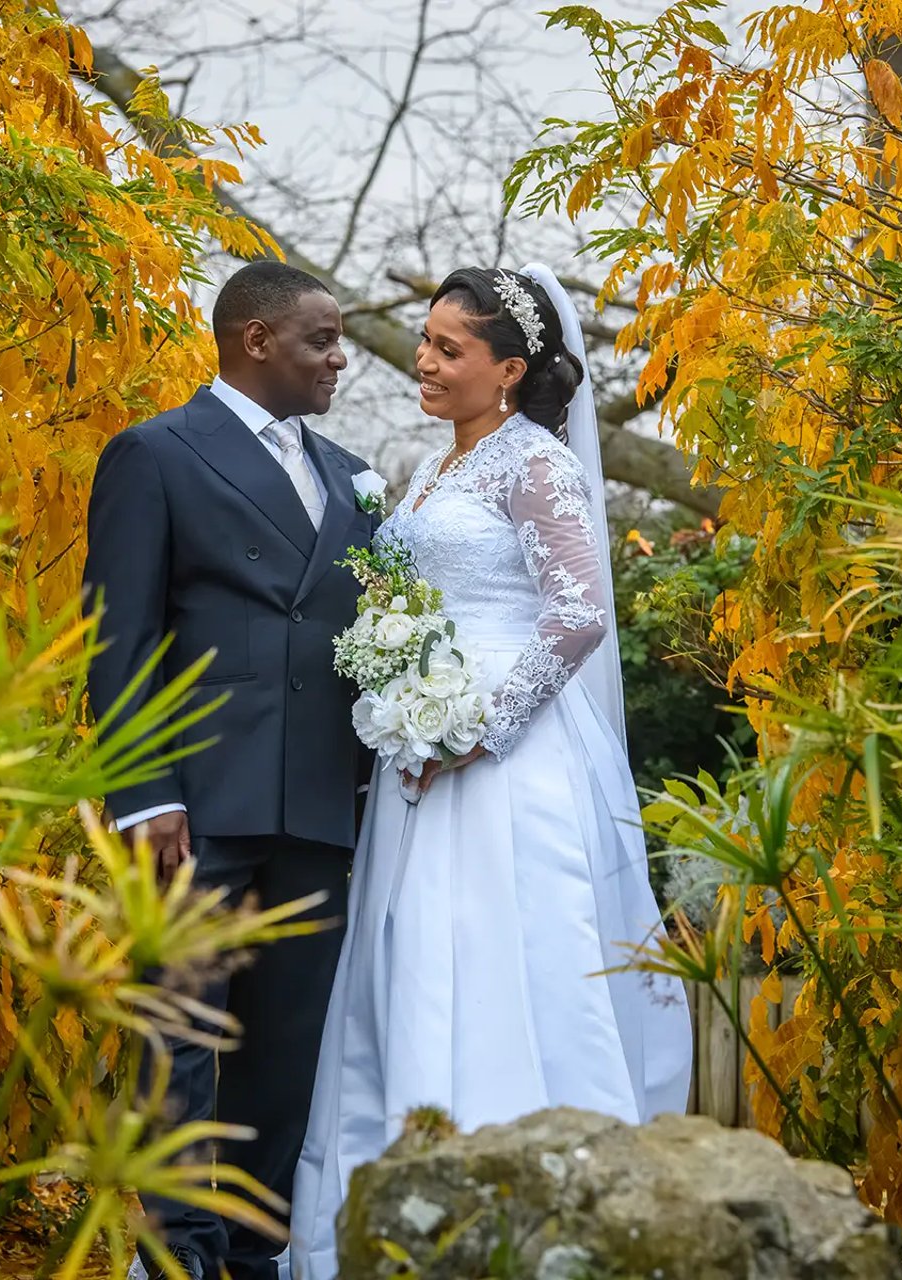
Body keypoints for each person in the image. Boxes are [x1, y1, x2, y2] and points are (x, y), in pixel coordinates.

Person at [289, 264, 694, 1280]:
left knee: (506, 951)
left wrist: (481, 726)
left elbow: (577, 614)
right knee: (409, 950)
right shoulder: (426, 472)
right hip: (413, 756)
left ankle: (541, 1196)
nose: (423, 361)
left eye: (448, 349)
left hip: (509, 760)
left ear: (508, 370)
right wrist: (397, 690)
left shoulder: (536, 465)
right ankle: (399, 1190)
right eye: (424, 340)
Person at [83, 260, 380, 1280]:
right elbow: (115, 642)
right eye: (321, 339)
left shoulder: (351, 475)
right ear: (256, 339)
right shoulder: (154, 454)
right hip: (196, 806)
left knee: (283, 1044)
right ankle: (177, 1253)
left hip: (317, 806)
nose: (341, 356)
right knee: (179, 1035)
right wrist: (145, 794)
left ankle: (254, 1254)